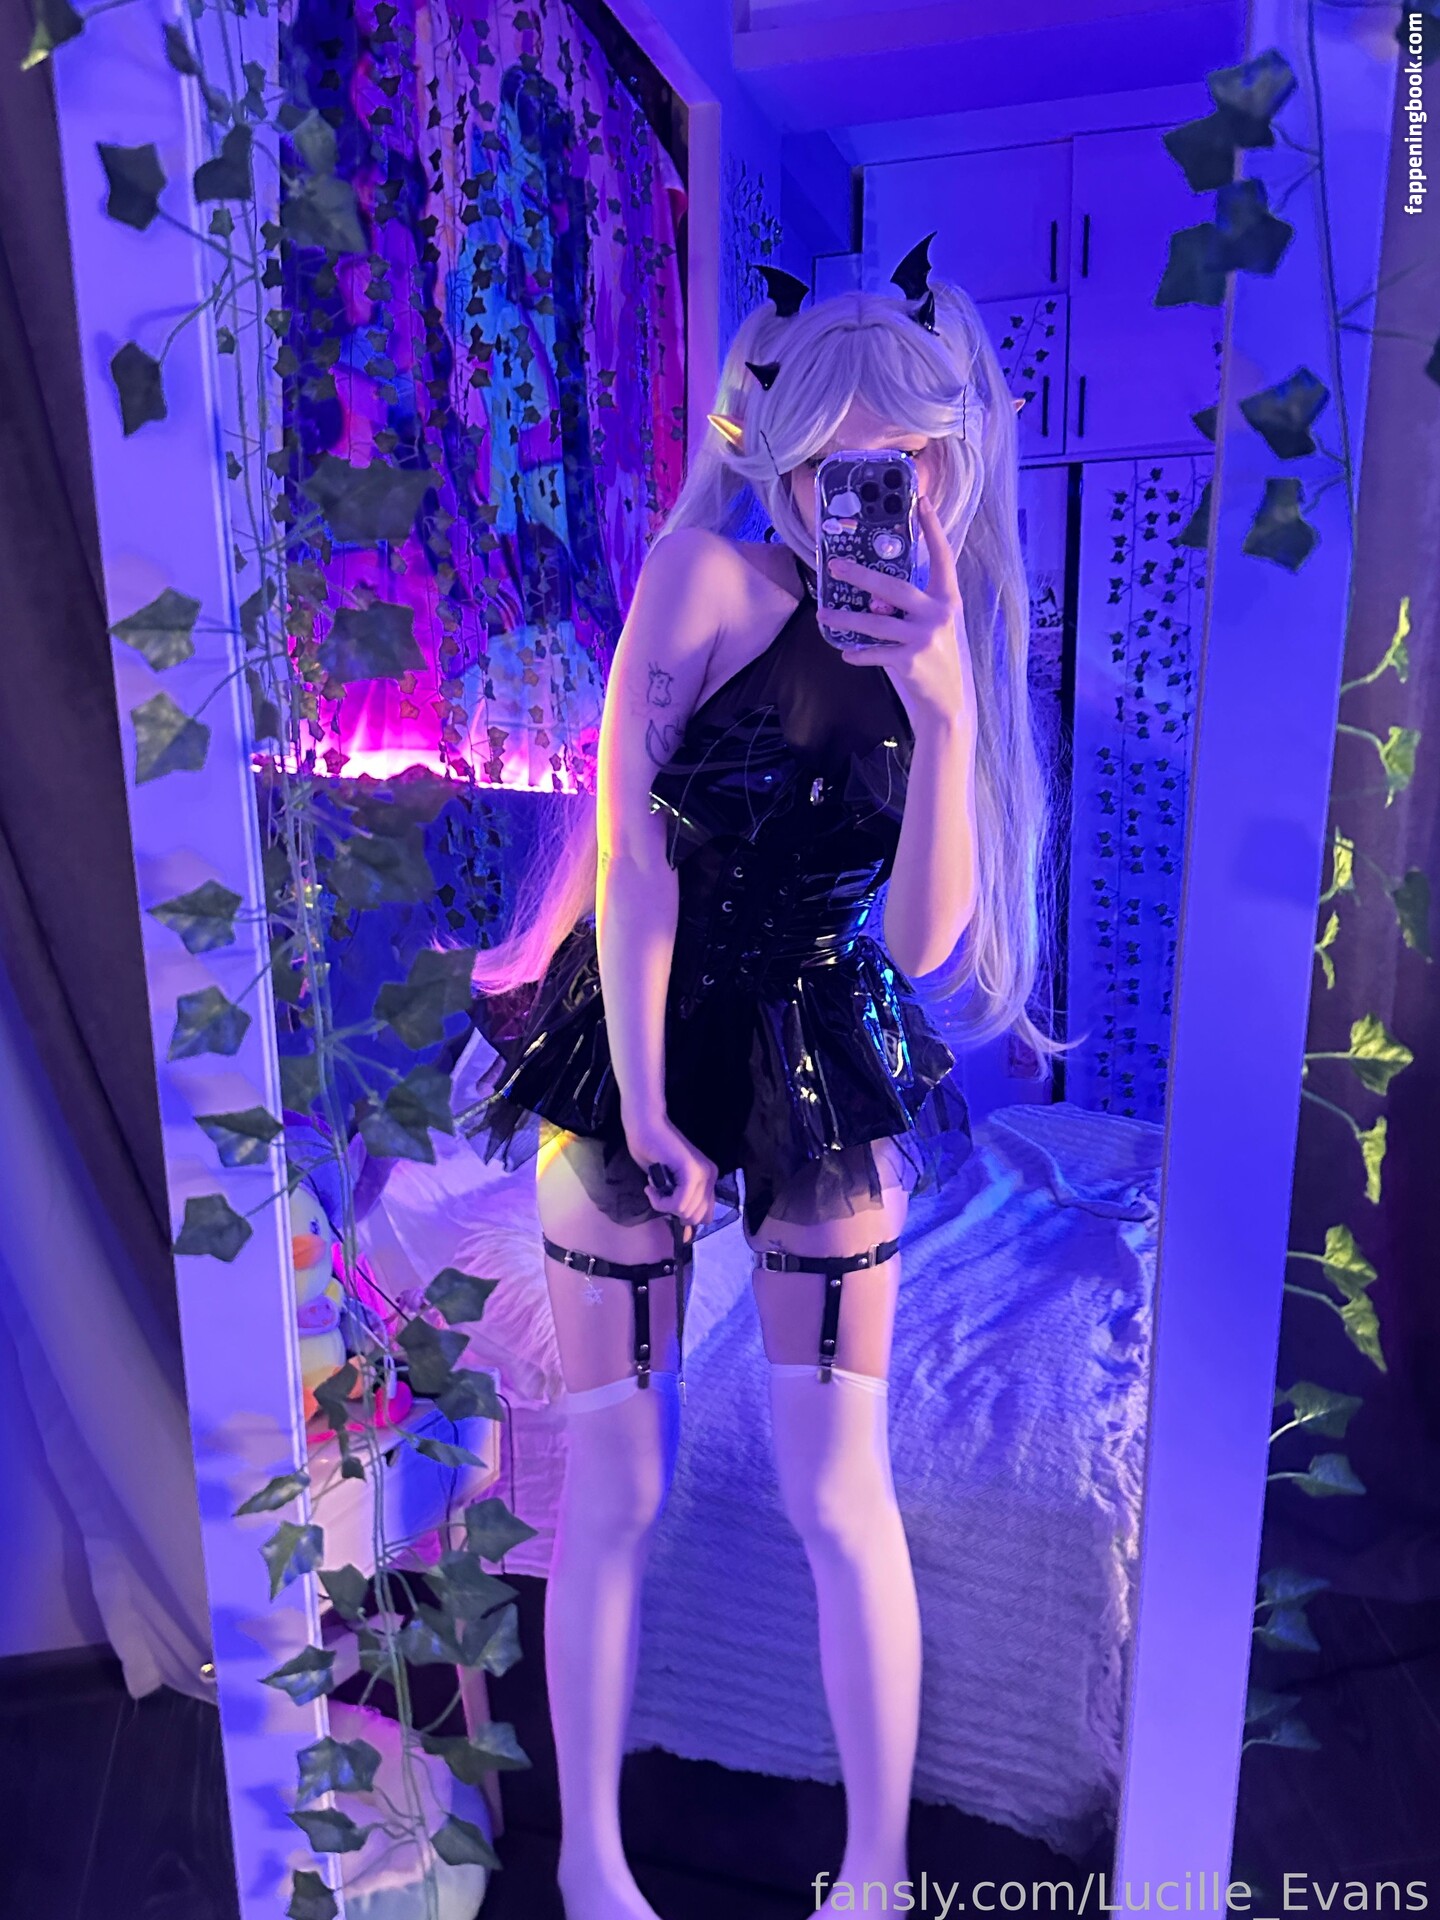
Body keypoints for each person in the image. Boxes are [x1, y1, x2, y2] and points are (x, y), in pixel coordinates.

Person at [453, 247, 1063, 1920]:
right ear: (773, 451)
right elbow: (632, 856)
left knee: (839, 1494)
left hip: (823, 1048)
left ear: (949, 460)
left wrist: (944, 713)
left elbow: (924, 943)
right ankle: (589, 1860)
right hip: (639, 1033)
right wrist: (650, 1105)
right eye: (824, 463)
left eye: (900, 462)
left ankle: (876, 1876)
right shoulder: (701, 578)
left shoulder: (950, 638)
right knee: (618, 1483)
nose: (859, 496)